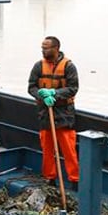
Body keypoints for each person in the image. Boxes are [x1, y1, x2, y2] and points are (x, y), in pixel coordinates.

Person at [27, 36, 79, 186]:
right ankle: (50, 178)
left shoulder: (69, 66)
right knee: (47, 148)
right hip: (45, 113)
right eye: (42, 47)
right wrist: (42, 95)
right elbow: (31, 87)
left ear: (56, 48)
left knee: (69, 149)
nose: (43, 50)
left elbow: (73, 88)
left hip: (64, 114)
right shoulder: (38, 66)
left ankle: (75, 180)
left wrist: (55, 94)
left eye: (46, 48)